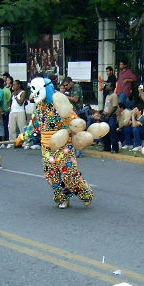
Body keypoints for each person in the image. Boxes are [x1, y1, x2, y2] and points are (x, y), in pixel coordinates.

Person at [22, 77, 94, 208]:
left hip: (63, 145)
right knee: (51, 174)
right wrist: (24, 136)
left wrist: (72, 130)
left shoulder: (61, 103)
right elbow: (35, 125)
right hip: (46, 147)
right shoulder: (39, 107)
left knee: (69, 174)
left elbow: (73, 120)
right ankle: (62, 198)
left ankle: (85, 193)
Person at [7, 79, 28, 147]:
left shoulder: (23, 92)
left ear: (19, 85)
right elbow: (10, 102)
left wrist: (16, 96)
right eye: (13, 85)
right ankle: (12, 142)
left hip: (20, 112)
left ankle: (24, 142)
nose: (13, 86)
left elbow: (20, 103)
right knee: (12, 128)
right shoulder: (13, 93)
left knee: (22, 127)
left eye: (15, 85)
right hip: (13, 111)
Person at [101, 83, 120, 153]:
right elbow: (107, 106)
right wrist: (103, 113)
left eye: (108, 86)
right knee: (105, 131)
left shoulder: (114, 95)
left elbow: (114, 106)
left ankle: (115, 148)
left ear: (111, 87)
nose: (106, 86)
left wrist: (109, 115)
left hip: (111, 116)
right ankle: (107, 147)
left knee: (112, 132)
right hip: (106, 115)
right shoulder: (107, 96)